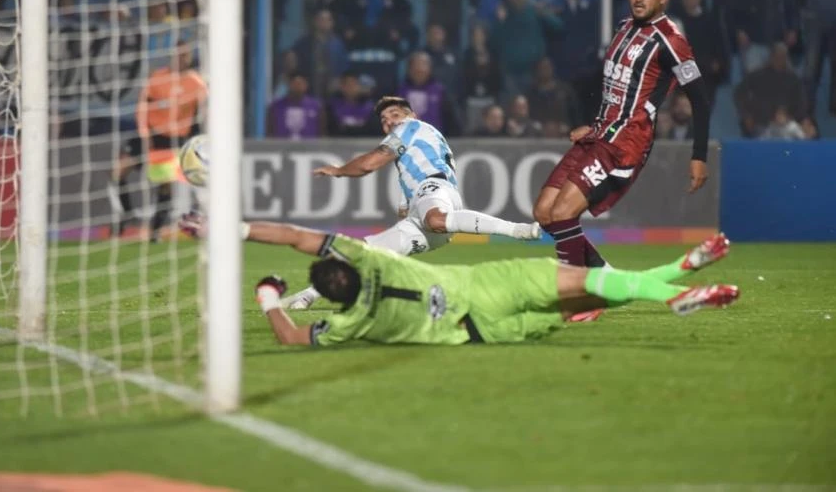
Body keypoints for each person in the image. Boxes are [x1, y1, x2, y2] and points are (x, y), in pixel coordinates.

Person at [180, 216, 738, 347]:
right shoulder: (371, 260)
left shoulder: (350, 324)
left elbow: (289, 337)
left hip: (482, 333)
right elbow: (297, 236)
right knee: (593, 282)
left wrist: (268, 296)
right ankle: (677, 292)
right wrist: (233, 227)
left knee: (588, 300)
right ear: (347, 265)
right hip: (487, 287)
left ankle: (678, 273)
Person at [532, 0, 711, 287]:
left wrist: (699, 155)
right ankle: (605, 277)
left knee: (562, 213)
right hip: (600, 134)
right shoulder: (623, 27)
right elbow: (616, 88)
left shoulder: (671, 40)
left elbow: (700, 99)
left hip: (626, 143)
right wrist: (595, 124)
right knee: (545, 212)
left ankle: (576, 294)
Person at [283, 95, 540, 310]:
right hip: (428, 211)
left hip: (435, 191)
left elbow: (370, 163)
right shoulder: (415, 146)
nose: (389, 122)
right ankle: (309, 295)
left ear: (411, 115)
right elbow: (408, 195)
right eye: (384, 120)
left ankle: (517, 229)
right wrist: (404, 212)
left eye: (394, 115)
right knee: (366, 252)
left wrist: (339, 170)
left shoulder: (409, 128)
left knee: (435, 219)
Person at [106, 41, 207, 240]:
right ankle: (124, 214)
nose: (181, 58)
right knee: (118, 170)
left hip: (174, 139)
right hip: (151, 134)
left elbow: (204, 114)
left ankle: (155, 230)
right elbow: (142, 108)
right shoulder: (157, 78)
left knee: (164, 184)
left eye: (185, 55)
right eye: (178, 54)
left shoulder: (196, 83)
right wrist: (145, 135)